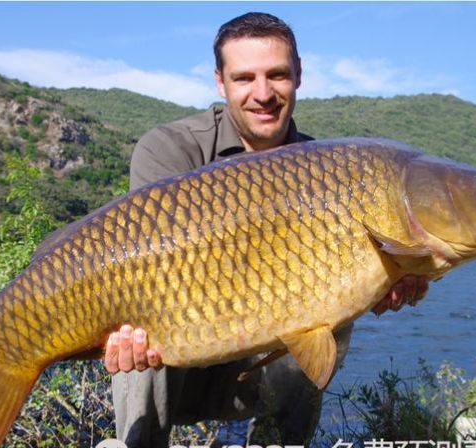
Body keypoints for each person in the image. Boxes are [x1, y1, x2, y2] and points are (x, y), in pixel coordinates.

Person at [103, 12, 428, 447]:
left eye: (277, 75)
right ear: (220, 82)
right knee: (146, 320)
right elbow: (140, 261)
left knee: (321, 318)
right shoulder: (170, 150)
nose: (263, 94)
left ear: (298, 75)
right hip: (177, 355)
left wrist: (385, 281)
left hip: (258, 376)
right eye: (244, 78)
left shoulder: (330, 169)